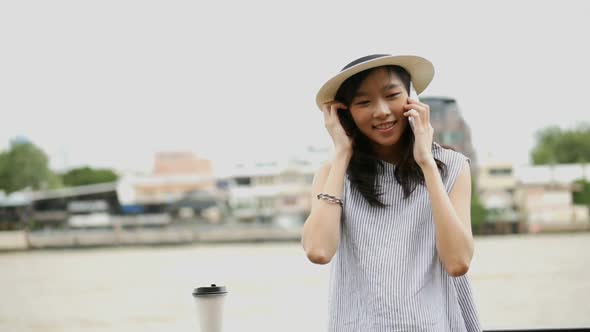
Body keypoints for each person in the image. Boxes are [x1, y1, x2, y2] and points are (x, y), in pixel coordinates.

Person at [301, 54, 481, 331]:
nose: (382, 111)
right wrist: (341, 155)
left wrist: (426, 163)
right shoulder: (333, 174)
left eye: (392, 95)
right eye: (364, 102)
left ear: (412, 99)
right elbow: (318, 251)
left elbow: (457, 262)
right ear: (345, 112)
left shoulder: (452, 168)